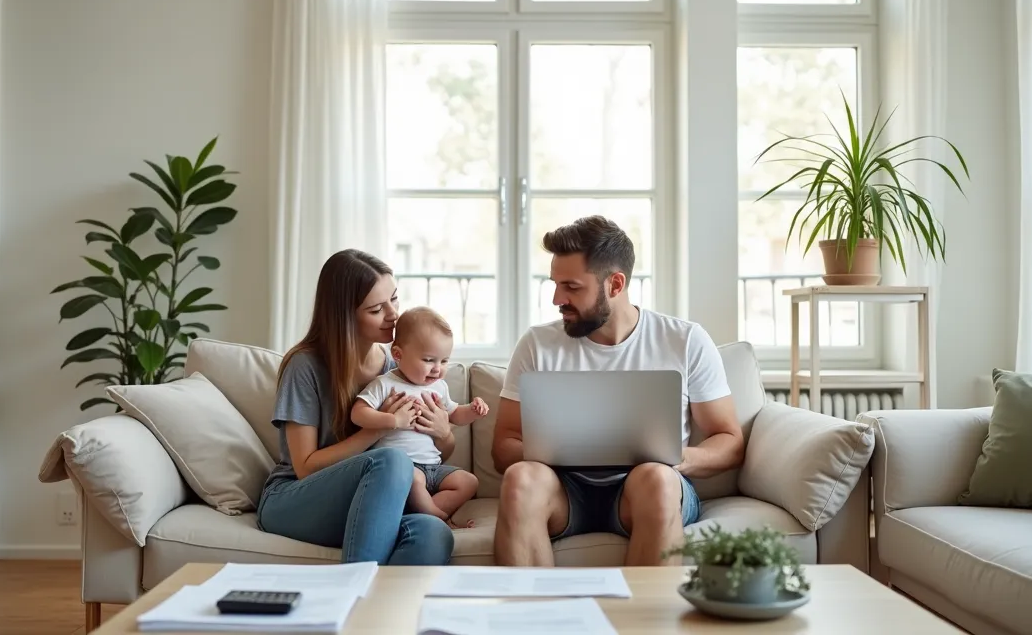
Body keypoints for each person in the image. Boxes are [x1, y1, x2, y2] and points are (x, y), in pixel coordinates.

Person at [490, 216, 745, 567]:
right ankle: (534, 618)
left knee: (656, 476)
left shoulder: (685, 340)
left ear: (615, 284)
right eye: (555, 284)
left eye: (571, 287)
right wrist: (557, 453)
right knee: (521, 478)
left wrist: (680, 458)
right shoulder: (537, 344)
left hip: (647, 489)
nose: (556, 299)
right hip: (563, 491)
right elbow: (503, 446)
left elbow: (729, 440)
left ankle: (645, 620)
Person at [256, 249, 456, 565]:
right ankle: (351, 592)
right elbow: (305, 467)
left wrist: (444, 433)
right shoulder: (305, 366)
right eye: (377, 309)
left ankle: (378, 613)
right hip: (295, 497)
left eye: (394, 299)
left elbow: (425, 456)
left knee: (433, 532)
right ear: (344, 315)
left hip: (370, 498)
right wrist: (378, 427)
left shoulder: (400, 368)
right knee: (392, 462)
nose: (393, 315)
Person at [352, 306, 489, 529]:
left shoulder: (439, 387)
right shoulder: (385, 384)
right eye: (428, 360)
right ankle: (440, 518)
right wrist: (392, 421)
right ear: (398, 355)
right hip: (403, 468)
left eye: (444, 361)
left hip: (434, 467)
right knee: (414, 479)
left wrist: (472, 411)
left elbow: (454, 414)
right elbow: (358, 413)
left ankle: (419, 516)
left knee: (468, 482)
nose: (437, 369)